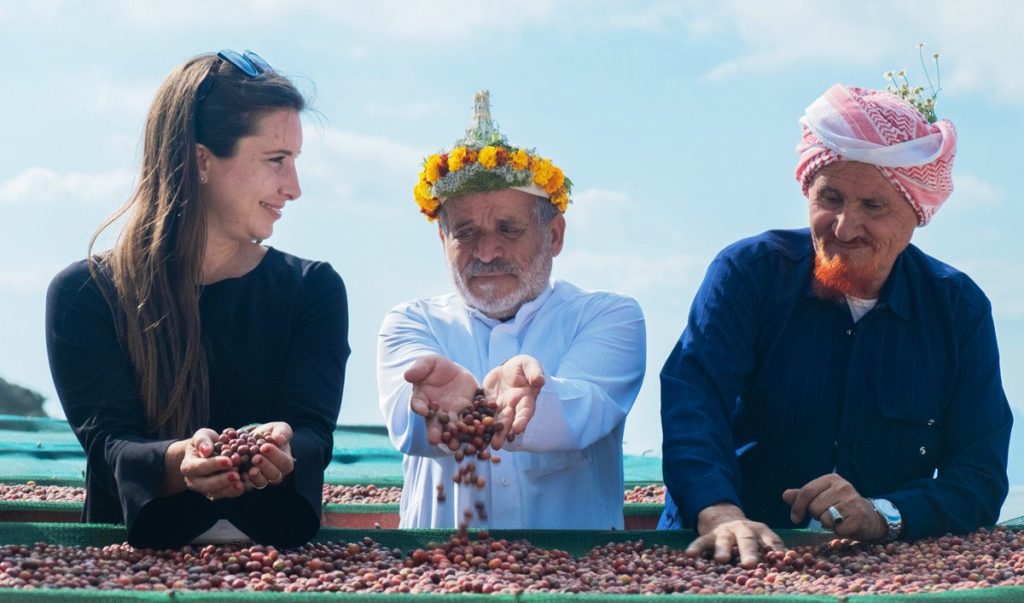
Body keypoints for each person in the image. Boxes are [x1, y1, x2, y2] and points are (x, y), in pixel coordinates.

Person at [659, 83, 1012, 566]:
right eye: (831, 197)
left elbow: (979, 473)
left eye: (873, 206)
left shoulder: (958, 309)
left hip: (884, 569)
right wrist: (719, 511)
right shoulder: (749, 273)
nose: (845, 227)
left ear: (916, 215)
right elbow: (693, 399)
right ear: (807, 192)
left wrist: (884, 515)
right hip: (724, 556)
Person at [45, 50, 349, 548]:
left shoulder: (313, 289)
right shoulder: (85, 294)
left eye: (294, 162)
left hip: (277, 571)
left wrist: (285, 449)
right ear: (202, 160)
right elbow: (109, 447)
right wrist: (177, 464)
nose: (293, 188)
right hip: (126, 573)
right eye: (277, 160)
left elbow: (314, 432)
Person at [378, 91, 645, 529]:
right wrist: (435, 405)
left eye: (508, 229)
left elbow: (587, 410)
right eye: (466, 232)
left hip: (577, 584)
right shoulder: (412, 322)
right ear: (443, 242)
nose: (487, 252)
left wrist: (532, 397)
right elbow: (408, 423)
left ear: (555, 236)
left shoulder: (608, 316)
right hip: (439, 582)